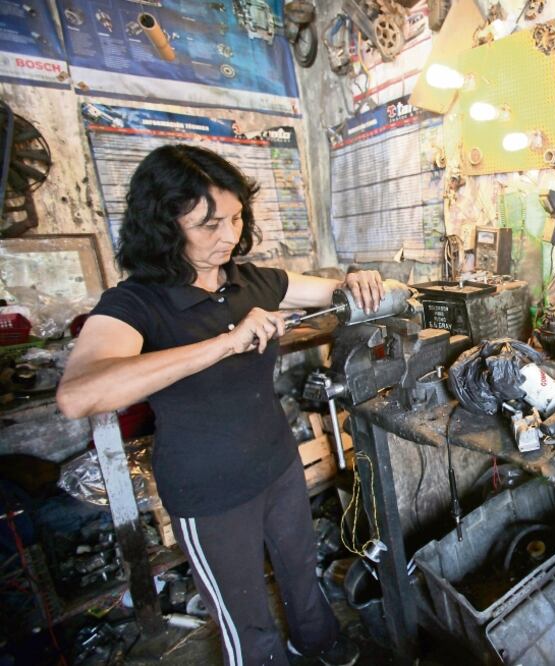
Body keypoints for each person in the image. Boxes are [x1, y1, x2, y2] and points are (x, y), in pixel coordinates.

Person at [57, 145, 384, 666]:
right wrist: (225, 342)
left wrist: (357, 277)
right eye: (209, 225)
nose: (228, 236)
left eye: (235, 219)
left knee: (301, 569)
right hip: (208, 490)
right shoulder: (137, 301)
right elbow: (79, 394)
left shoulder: (248, 279)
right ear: (165, 226)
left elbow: (332, 291)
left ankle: (317, 639)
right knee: (245, 614)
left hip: (277, 463)